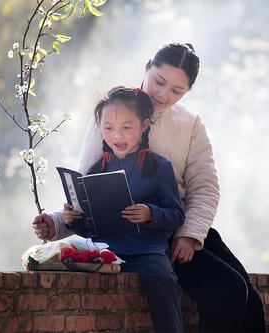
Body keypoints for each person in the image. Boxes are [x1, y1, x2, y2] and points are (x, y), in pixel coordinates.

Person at [33, 43, 266, 332]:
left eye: (176, 91)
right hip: (144, 237)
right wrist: (57, 222)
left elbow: (204, 187)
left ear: (187, 92)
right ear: (147, 68)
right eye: (159, 81)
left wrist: (190, 235)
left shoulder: (190, 124)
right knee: (227, 291)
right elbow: (87, 190)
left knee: (251, 301)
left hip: (180, 227)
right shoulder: (113, 115)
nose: (163, 94)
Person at [63, 86, 185, 333]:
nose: (116, 135)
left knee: (164, 281)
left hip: (146, 253)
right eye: (108, 128)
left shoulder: (160, 167)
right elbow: (90, 226)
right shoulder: (95, 170)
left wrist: (150, 213)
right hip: (104, 250)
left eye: (126, 127)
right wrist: (73, 219)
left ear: (144, 126)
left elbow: (176, 215)